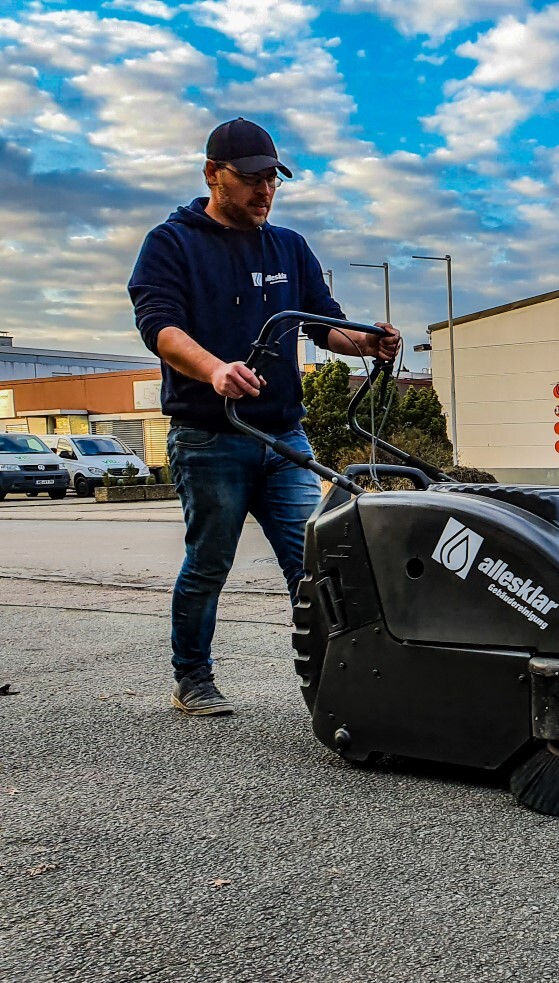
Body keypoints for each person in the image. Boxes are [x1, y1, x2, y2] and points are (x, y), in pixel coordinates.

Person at [128, 117, 399, 717]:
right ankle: (192, 677)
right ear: (212, 175)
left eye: (272, 179)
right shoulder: (172, 243)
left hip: (282, 437)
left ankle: (341, 681)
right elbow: (160, 327)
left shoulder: (289, 247)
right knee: (209, 561)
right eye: (249, 178)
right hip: (209, 437)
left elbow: (324, 323)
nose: (263, 190)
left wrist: (367, 342)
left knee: (313, 562)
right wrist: (214, 370)